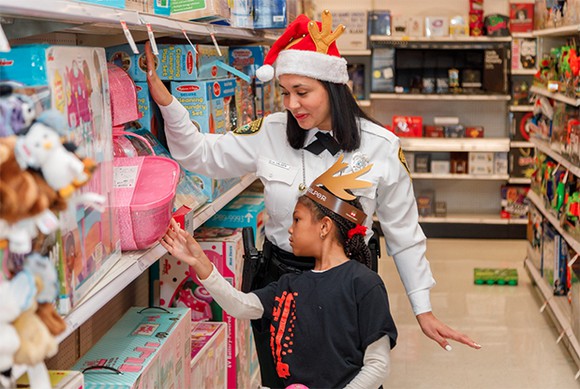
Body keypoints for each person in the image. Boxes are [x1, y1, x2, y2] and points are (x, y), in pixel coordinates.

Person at [145, 10, 481, 388]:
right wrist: (164, 98)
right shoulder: (269, 132)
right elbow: (200, 155)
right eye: (285, 92)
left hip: (348, 284)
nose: (291, 104)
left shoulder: (381, 147)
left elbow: (404, 232)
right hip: (279, 281)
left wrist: (423, 309)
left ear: (334, 87)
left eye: (302, 92)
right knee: (282, 379)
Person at [160, 158, 398, 388]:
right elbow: (240, 306)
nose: (290, 230)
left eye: (297, 220)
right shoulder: (290, 285)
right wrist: (200, 261)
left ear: (324, 226)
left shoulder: (364, 284)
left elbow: (377, 365)